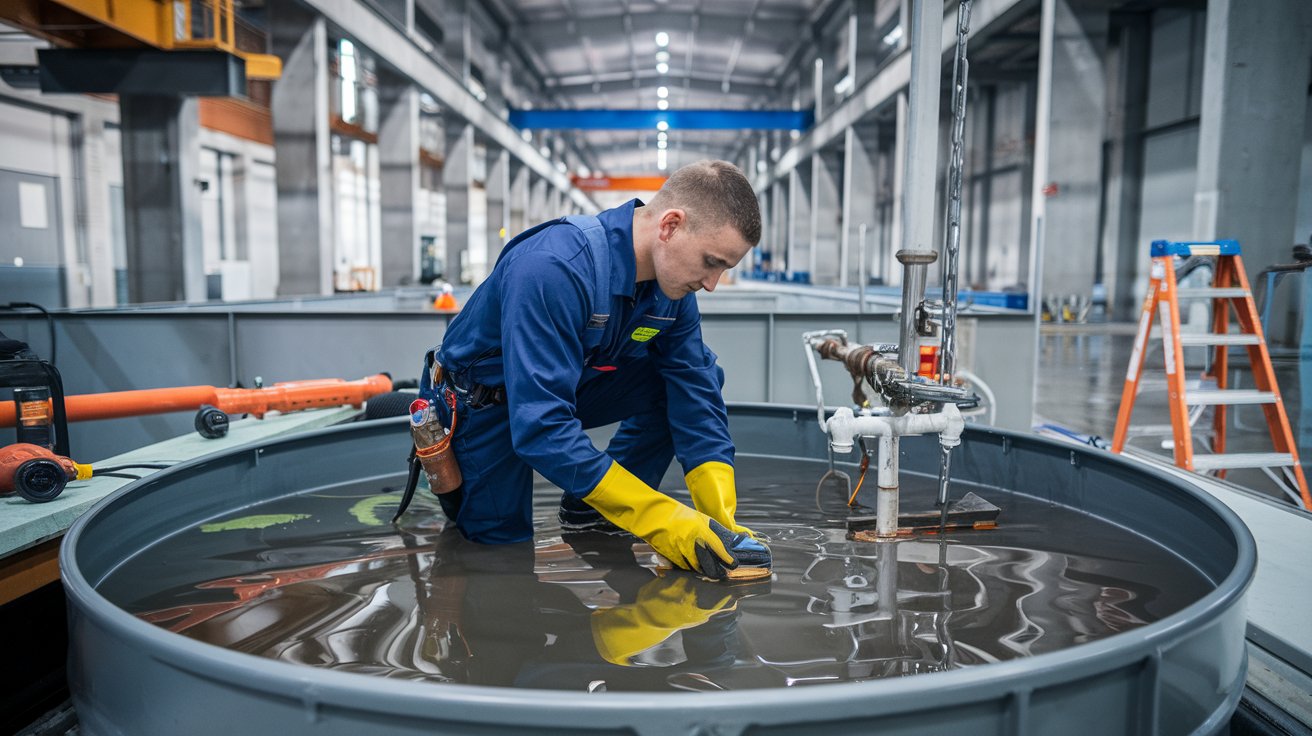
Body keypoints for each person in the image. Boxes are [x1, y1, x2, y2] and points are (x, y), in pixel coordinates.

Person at [419, 160, 769, 578]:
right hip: (483, 404)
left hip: (566, 385)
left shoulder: (671, 289)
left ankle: (592, 510)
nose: (712, 283)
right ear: (670, 226)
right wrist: (663, 521)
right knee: (502, 555)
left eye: (724, 269)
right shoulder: (553, 267)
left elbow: (694, 386)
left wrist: (719, 521)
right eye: (711, 262)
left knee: (698, 378)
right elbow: (541, 428)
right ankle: (612, 505)